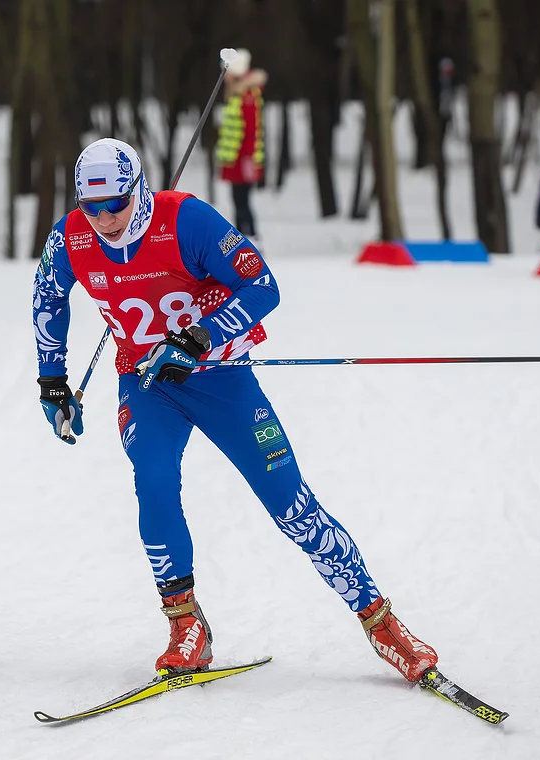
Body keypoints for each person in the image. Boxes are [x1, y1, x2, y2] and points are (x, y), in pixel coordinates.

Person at [32, 137, 438, 681]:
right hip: (146, 381)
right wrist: (53, 381)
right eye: (91, 207)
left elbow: (262, 285)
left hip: (219, 376)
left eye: (116, 205)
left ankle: (381, 622)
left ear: (138, 190)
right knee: (152, 482)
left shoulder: (188, 220)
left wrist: (198, 339)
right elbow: (48, 296)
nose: (104, 219)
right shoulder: (72, 236)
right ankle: (185, 625)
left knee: (289, 502)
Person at [215, 48, 265, 244]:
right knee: (238, 201)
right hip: (235, 159)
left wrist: (247, 159)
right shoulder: (237, 95)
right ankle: (242, 236)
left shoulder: (247, 95)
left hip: (242, 160)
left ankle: (250, 237)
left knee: (242, 201)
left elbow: (250, 131)